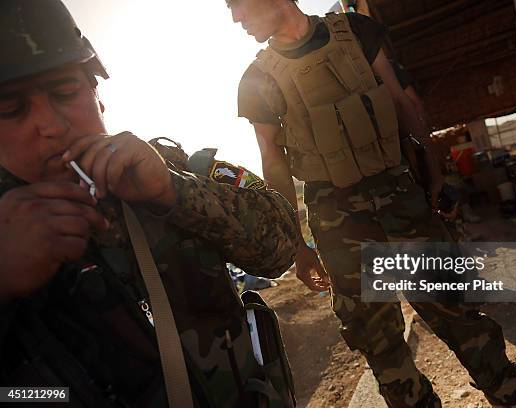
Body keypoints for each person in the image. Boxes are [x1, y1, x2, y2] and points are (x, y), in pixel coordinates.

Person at [229, 0, 516, 407]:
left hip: (401, 198)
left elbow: (401, 101)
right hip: (338, 223)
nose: (237, 20)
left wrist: (434, 172)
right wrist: (298, 245)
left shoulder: (356, 32)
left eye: (239, 6)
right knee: (377, 340)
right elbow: (274, 163)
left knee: (456, 312)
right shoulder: (257, 79)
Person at [0, 0, 298, 406]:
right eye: (11, 109)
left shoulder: (169, 168)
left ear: (97, 94)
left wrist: (175, 192)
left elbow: (282, 245)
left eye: (65, 92)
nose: (51, 126)